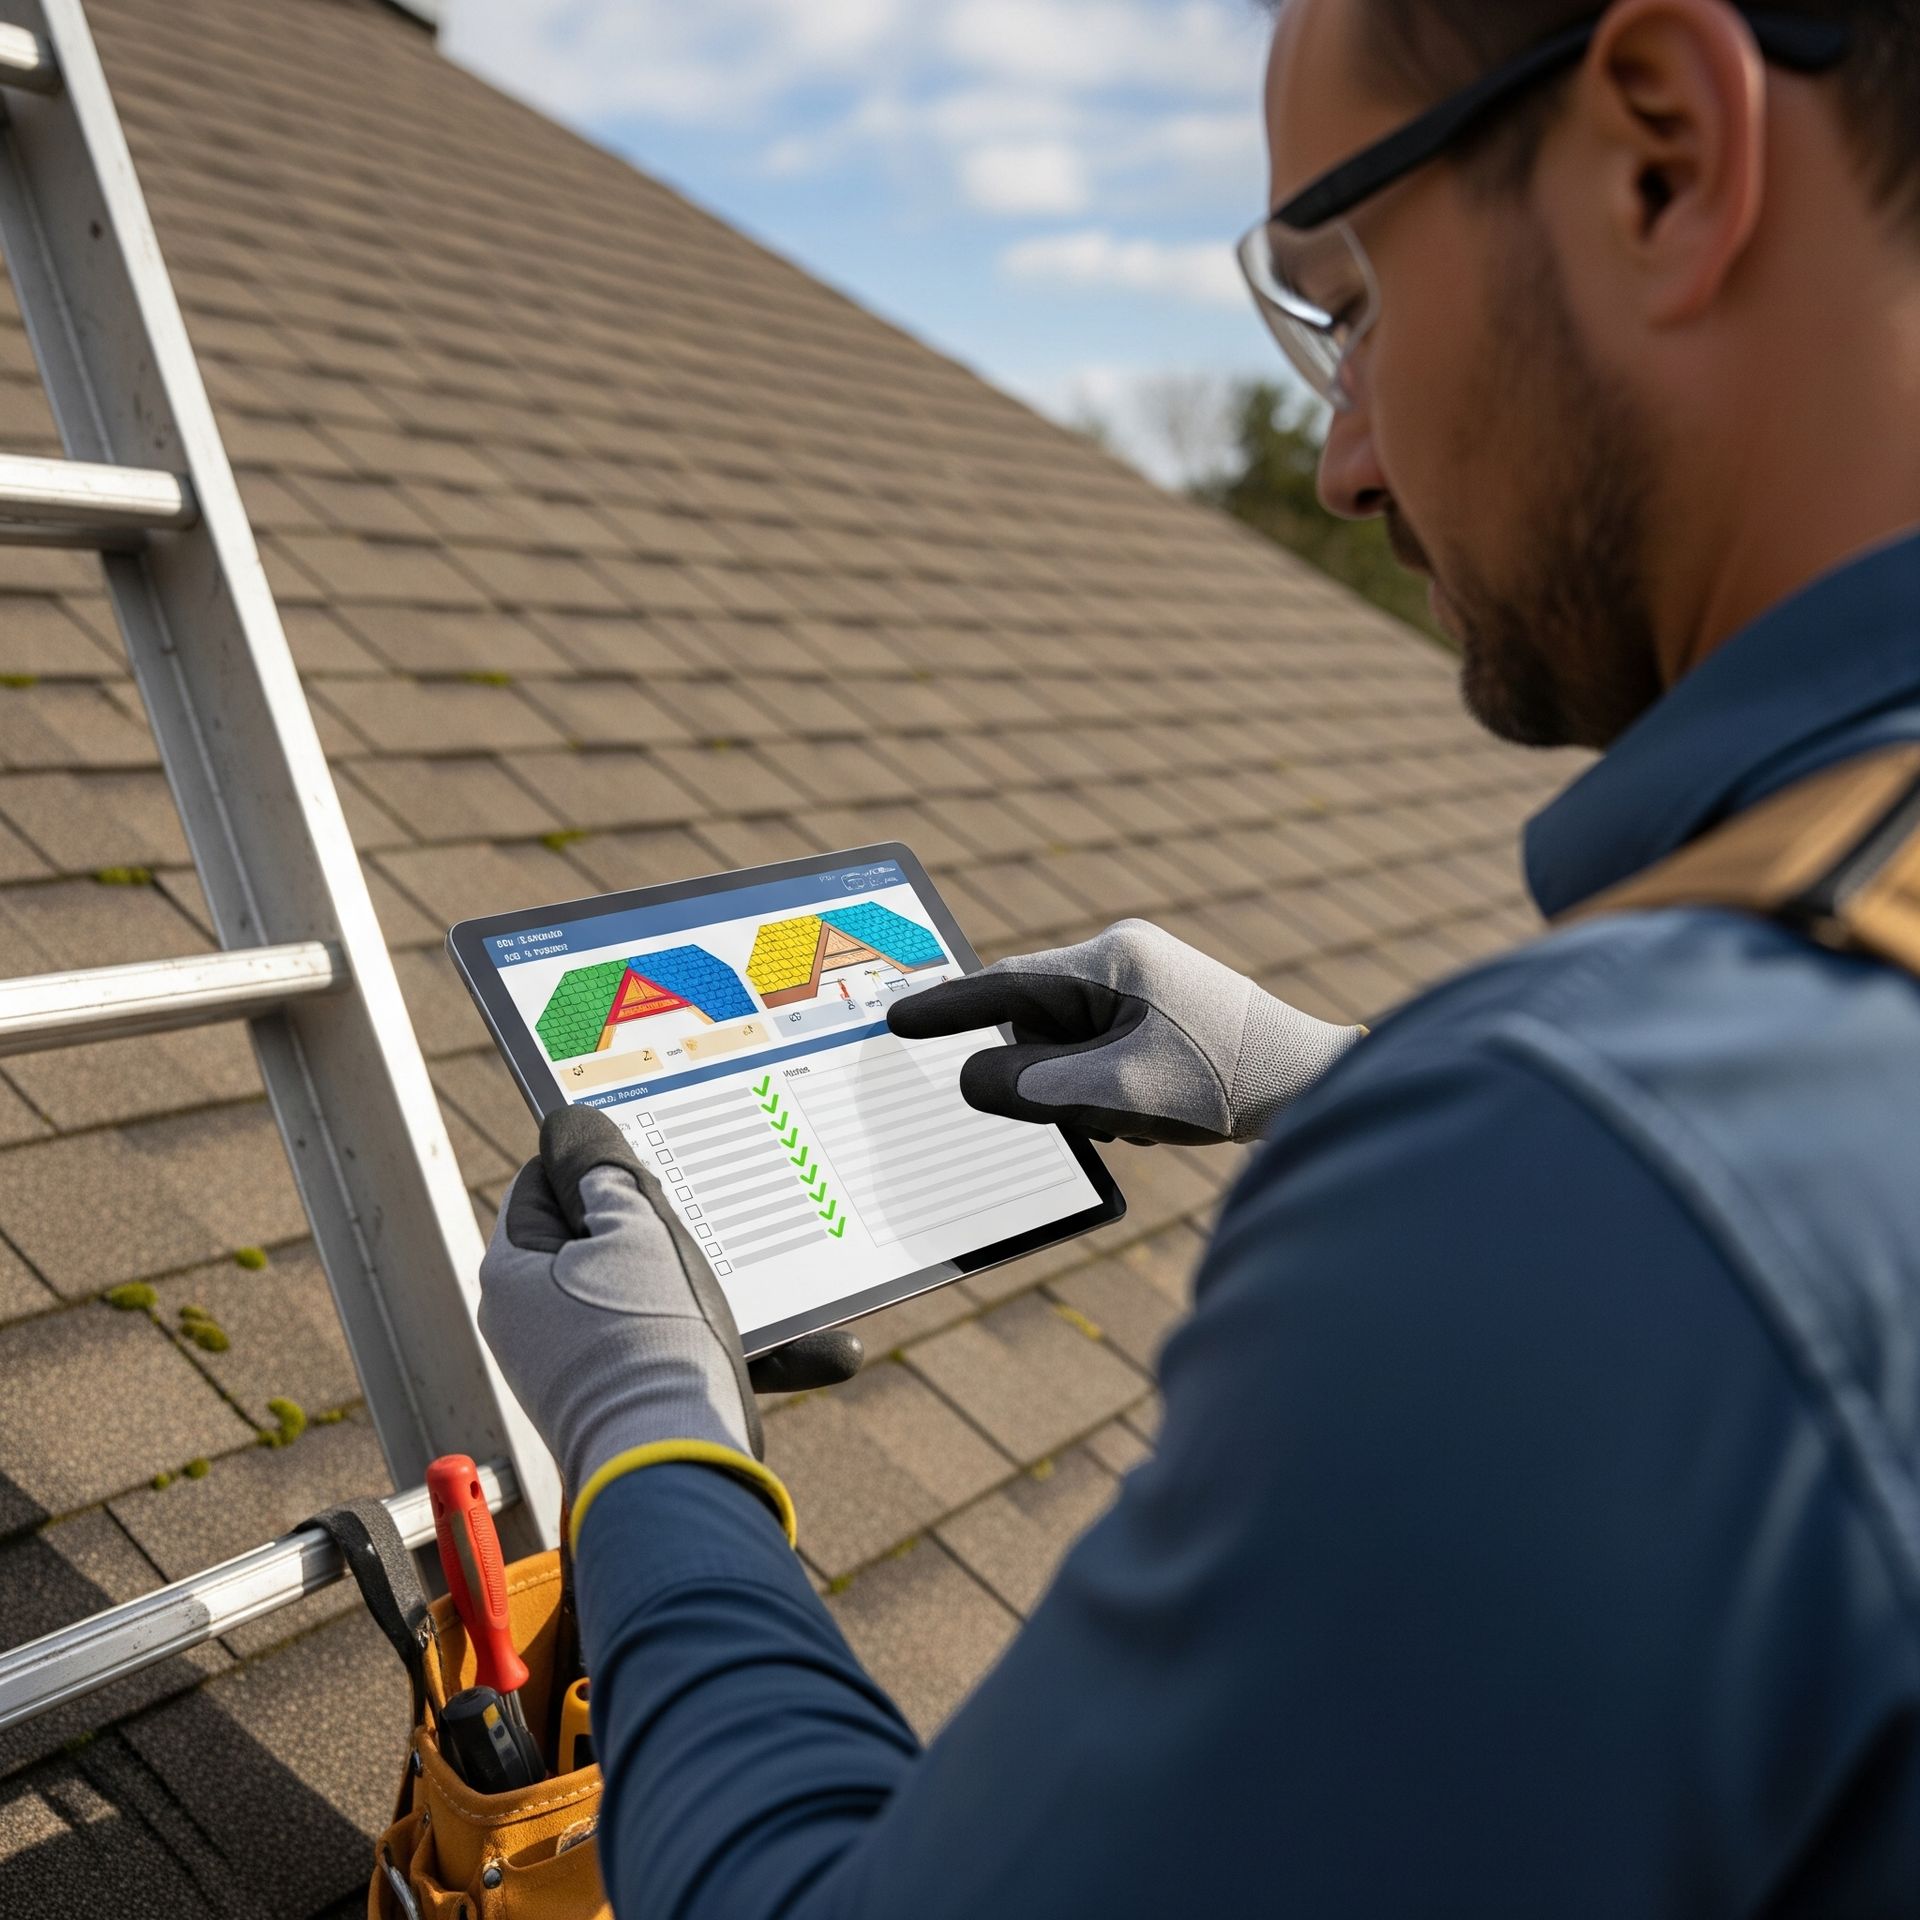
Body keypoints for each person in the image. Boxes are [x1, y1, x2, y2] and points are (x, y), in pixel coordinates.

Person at [478, 1, 1920, 1910]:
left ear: (1660, 156)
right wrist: (1337, 1078)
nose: (1340, 462)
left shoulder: (1585, 1193)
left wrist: (650, 1453)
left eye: (1350, 303)